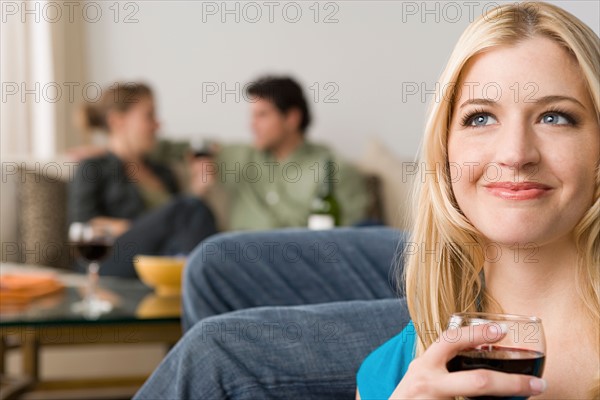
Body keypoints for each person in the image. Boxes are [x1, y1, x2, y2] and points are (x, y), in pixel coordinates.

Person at [135, 2, 599, 398]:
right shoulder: (395, 372)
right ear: (444, 147)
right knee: (213, 267)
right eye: (480, 119)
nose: (516, 153)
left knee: (216, 348)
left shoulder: (326, 165)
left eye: (556, 116)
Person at [69, 83, 218, 278]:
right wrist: (145, 228)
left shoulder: (162, 172)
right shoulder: (94, 167)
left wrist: (199, 190)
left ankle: (200, 278)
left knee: (192, 209)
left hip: (163, 255)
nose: (158, 124)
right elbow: (84, 226)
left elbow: (185, 228)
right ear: (117, 121)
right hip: (109, 259)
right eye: (149, 116)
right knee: (186, 207)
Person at [190, 76, 370, 230]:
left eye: (262, 115)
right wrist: (200, 180)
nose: (252, 125)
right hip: (236, 255)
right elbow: (178, 148)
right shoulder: (241, 156)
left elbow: (350, 236)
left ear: (292, 118)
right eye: (252, 116)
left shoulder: (332, 169)